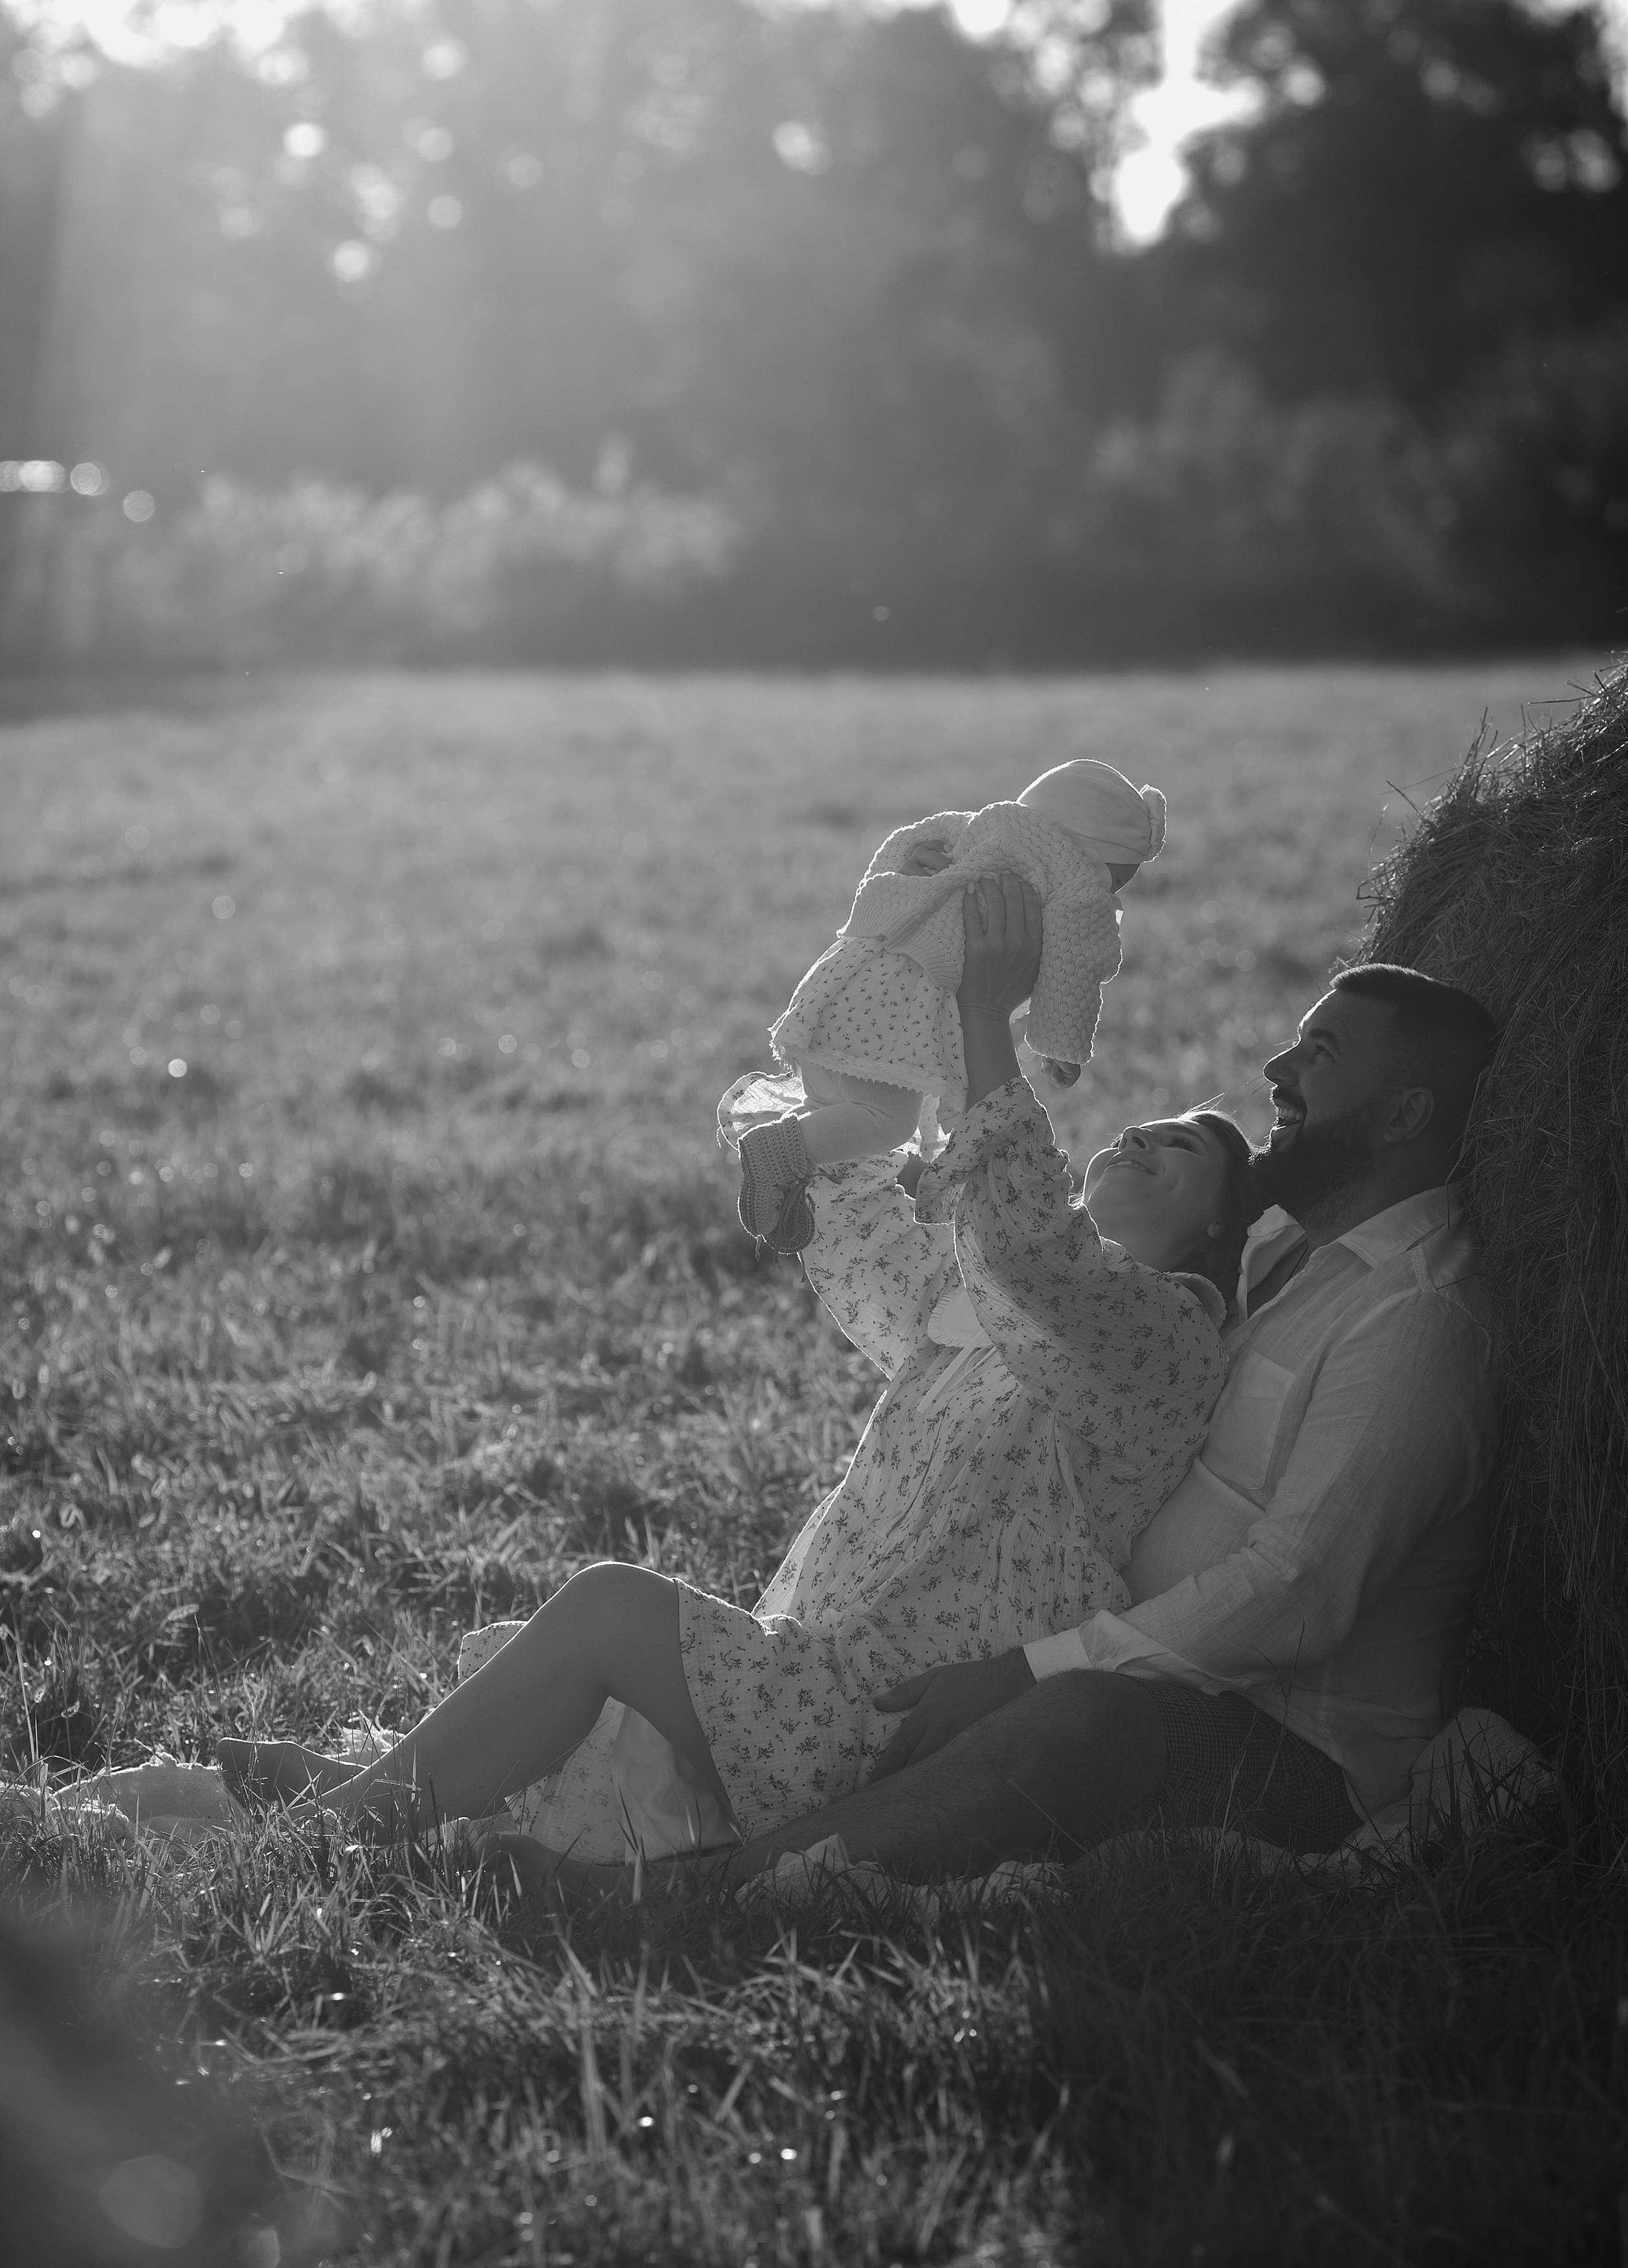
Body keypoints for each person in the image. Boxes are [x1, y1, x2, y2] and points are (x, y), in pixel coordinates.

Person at [167, 874, 1245, 1854]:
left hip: (891, 1723)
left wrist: (983, 1021)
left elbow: (1031, 1248)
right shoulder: (975, 1313)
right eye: (1142, 1127)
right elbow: (867, 1227)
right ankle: (385, 1790)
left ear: (1214, 1236)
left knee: (612, 1608)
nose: (1143, 1140)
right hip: (820, 1673)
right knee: (601, 1671)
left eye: (1187, 1147)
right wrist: (883, 1022)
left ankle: (333, 1832)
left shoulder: (1160, 1345)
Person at [699, 950, 1506, 1882]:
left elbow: (1297, 1596)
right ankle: (753, 1818)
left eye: (1319, 1053)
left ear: (1405, 1112)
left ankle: (727, 1885)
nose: (1277, 1070)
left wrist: (1033, 1668)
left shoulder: (1417, 1322)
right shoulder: (1290, 1244)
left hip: (1293, 1749)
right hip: (1131, 1654)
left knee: (1078, 1720)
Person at [726, 757, 1165, 1251]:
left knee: (838, 1108)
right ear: (1090, 853)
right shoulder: (1076, 882)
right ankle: (776, 1152)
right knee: (888, 1121)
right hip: (901, 1011)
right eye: (1115, 880)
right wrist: (1060, 1044)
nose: (1110, 898)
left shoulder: (975, 827)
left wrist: (899, 885)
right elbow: (1076, 967)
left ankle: (795, 1183)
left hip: (851, 975)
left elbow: (899, 851)